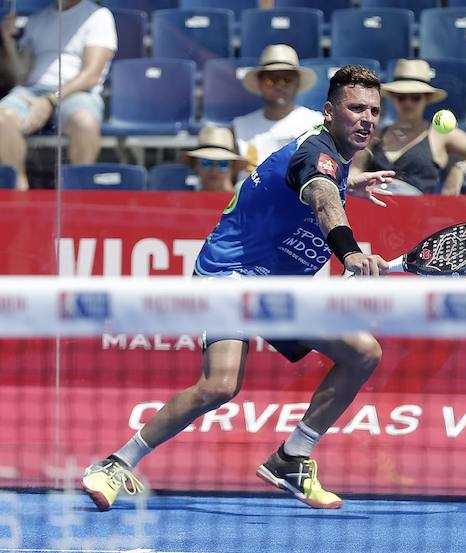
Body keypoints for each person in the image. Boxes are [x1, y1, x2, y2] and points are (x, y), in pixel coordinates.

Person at [82, 65, 395, 512]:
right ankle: (116, 464)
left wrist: (352, 181)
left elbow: (325, 183)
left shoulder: (333, 158)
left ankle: (292, 458)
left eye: (373, 111)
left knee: (363, 352)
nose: (366, 118)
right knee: (219, 385)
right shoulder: (317, 154)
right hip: (232, 276)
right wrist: (349, 253)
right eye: (355, 108)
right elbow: (324, 197)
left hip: (279, 289)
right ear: (329, 112)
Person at [0, 0, 116, 190]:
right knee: (2, 118)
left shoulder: (99, 16)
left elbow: (91, 76)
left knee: (85, 123)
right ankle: (19, 195)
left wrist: (51, 99)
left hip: (76, 92)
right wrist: (8, 42)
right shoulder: (37, 20)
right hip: (31, 91)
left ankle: (79, 194)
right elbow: (20, 74)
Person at [350, 59, 466, 195]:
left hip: (420, 217)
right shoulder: (375, 134)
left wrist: (459, 169)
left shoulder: (439, 134)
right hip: (374, 213)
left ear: (426, 99)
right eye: (401, 97)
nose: (408, 103)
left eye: (415, 97)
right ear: (393, 98)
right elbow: (355, 171)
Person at [233, 44, 323, 177]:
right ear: (259, 83)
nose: (279, 86)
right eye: (271, 80)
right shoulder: (239, 127)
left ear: (297, 84)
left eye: (286, 80)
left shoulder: (317, 124)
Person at [183, 126, 245, 193]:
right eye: (206, 162)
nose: (214, 170)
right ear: (195, 165)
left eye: (223, 163)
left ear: (233, 167)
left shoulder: (244, 202)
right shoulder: (184, 201)